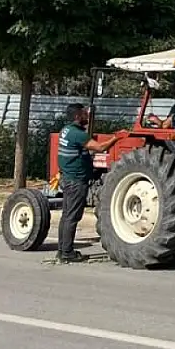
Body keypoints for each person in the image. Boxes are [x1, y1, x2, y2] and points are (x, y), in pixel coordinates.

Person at [56, 103, 125, 263]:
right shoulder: (77, 134)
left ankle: (63, 250)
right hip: (76, 181)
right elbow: (100, 147)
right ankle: (67, 253)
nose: (87, 115)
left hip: (67, 178)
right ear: (77, 116)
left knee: (66, 216)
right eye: (84, 113)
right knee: (72, 216)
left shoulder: (65, 130)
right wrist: (117, 137)